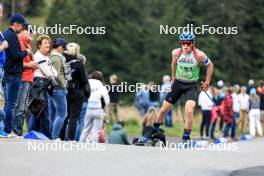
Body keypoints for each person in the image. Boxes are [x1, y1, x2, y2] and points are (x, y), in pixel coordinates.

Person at [146, 33, 213, 144]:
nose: (185, 46)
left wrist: (207, 82)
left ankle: (186, 138)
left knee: (189, 111)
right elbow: (173, 63)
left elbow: (210, 65)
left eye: (188, 43)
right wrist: (173, 77)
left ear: (193, 44)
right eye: (183, 43)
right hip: (178, 83)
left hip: (191, 85)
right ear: (180, 43)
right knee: (163, 110)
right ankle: (154, 132)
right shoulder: (176, 52)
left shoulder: (200, 55)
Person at [2, 13, 32, 135]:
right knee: (12, 104)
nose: (23, 29)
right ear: (16, 24)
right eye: (22, 26)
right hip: (14, 74)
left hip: (6, 72)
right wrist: (26, 52)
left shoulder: (4, 34)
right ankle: (8, 130)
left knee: (7, 103)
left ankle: (4, 129)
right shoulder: (12, 36)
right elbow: (16, 55)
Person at [28, 34, 57, 139]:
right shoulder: (38, 56)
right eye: (45, 43)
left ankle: (35, 133)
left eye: (49, 43)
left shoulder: (45, 57)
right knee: (43, 111)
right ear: (39, 45)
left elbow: (55, 73)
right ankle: (48, 136)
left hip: (43, 85)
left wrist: (52, 74)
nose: (48, 45)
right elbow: (49, 73)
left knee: (39, 111)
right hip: (38, 85)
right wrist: (51, 74)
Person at [60, 43, 90, 140]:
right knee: (74, 117)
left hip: (65, 91)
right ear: (77, 51)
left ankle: (60, 137)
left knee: (66, 115)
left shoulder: (63, 62)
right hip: (77, 92)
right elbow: (84, 81)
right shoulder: (79, 64)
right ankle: (71, 139)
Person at [13, 27, 36, 136]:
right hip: (23, 78)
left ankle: (18, 130)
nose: (32, 35)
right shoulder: (20, 44)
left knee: (24, 107)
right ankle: (16, 131)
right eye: (30, 32)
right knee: (20, 107)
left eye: (33, 33)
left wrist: (34, 64)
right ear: (23, 31)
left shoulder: (28, 45)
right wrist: (29, 65)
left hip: (29, 78)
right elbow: (16, 63)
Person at [79, 71, 109, 143]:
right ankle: (94, 144)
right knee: (96, 129)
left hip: (88, 108)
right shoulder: (102, 86)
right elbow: (107, 101)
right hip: (98, 109)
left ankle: (81, 142)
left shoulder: (87, 84)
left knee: (86, 129)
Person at [48, 38, 68, 139]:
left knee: (54, 115)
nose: (64, 50)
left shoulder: (52, 56)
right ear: (60, 47)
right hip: (59, 88)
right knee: (62, 114)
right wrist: (63, 86)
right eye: (64, 47)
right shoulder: (56, 57)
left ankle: (52, 136)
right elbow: (56, 75)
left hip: (54, 89)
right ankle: (55, 137)